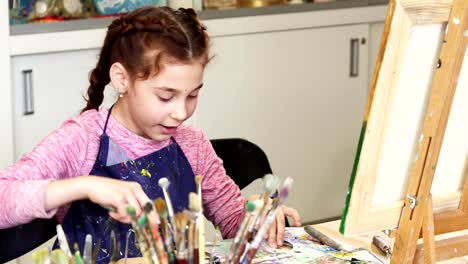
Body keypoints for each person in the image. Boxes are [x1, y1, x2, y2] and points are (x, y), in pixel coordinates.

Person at [0, 6, 301, 263]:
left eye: (192, 95)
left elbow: (234, 222)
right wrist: (83, 186)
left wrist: (260, 220)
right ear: (122, 79)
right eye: (166, 96)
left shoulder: (192, 143)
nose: (181, 113)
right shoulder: (84, 139)